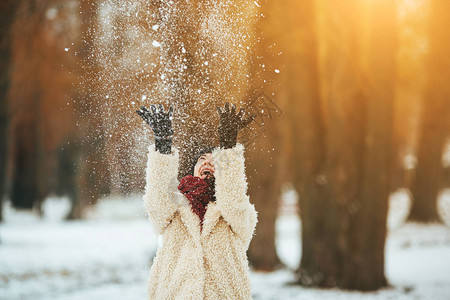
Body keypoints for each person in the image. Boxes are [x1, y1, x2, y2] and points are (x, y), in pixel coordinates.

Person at [137, 103, 258, 299]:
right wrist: (163, 146)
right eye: (202, 158)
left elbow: (232, 199)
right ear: (193, 170)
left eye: (215, 160)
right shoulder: (174, 208)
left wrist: (228, 146)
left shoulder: (238, 214)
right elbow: (157, 200)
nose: (208, 162)